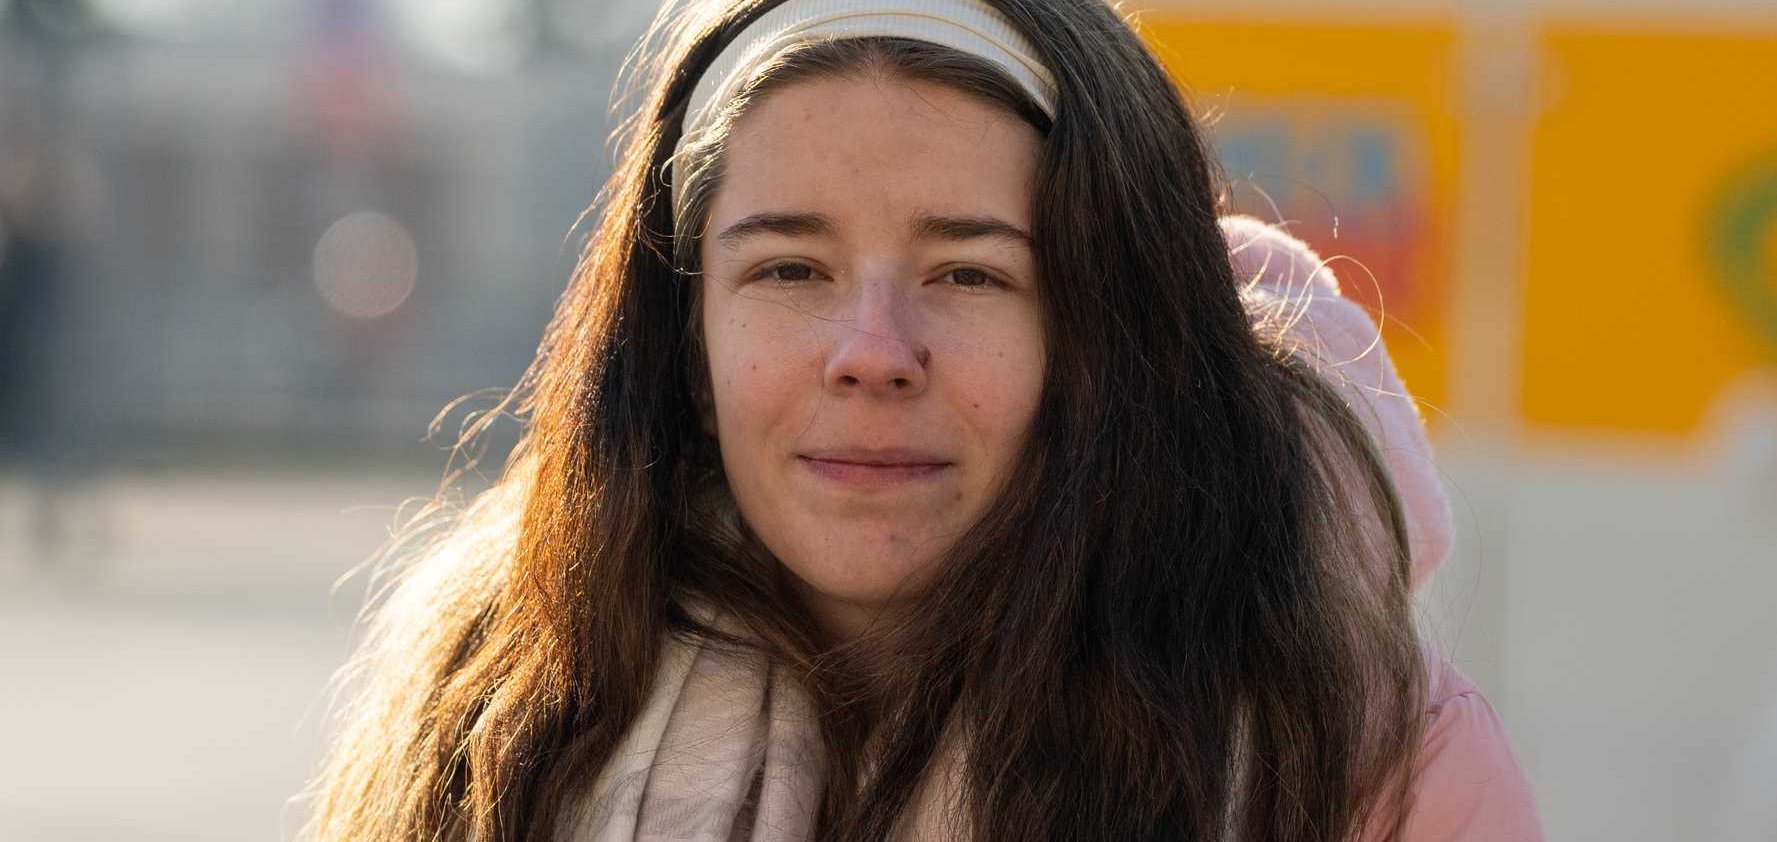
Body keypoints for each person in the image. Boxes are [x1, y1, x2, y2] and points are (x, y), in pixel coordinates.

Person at [303, 0, 1543, 839]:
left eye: (970, 273)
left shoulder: (1354, 756)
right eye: (788, 269)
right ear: (683, 337)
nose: (871, 356)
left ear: (1109, 337)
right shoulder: (495, 725)